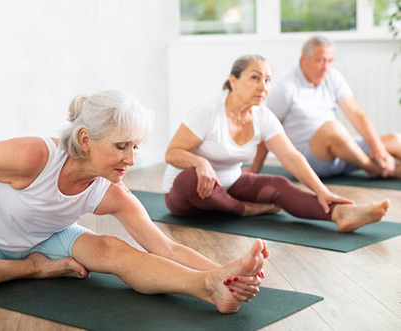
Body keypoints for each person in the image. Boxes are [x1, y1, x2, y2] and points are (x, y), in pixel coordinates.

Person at [0, 90, 269, 314]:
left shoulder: (111, 190)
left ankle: (207, 286)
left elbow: (166, 248)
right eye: (121, 146)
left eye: (137, 146)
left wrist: (225, 274)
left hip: (49, 237)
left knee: (114, 249)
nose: (131, 158)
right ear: (86, 139)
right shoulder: (33, 156)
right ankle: (33, 269)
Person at [163, 55, 390, 233]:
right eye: (255, 78)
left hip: (229, 184)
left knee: (279, 184)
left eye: (268, 80)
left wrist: (322, 190)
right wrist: (199, 162)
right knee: (191, 178)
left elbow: (291, 157)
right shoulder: (208, 110)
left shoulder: (263, 115)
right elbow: (172, 153)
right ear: (234, 80)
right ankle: (244, 209)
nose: (263, 86)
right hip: (186, 198)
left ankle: (341, 214)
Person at [262, 35, 401, 179]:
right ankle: (374, 170)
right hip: (310, 160)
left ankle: (390, 171)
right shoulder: (285, 88)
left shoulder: (332, 76)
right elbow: (267, 130)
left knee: (396, 140)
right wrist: (256, 167)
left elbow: (356, 113)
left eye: (330, 61)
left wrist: (380, 150)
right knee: (332, 128)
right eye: (320, 61)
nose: (326, 67)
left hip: (343, 151)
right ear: (304, 59)